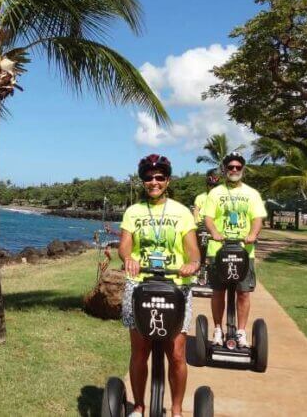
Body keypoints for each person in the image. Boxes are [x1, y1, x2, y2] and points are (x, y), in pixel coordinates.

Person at [119, 154, 201, 417]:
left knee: (176, 352)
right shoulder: (133, 212)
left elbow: (193, 251)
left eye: (159, 177)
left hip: (176, 285)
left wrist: (192, 263)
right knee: (139, 350)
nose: (153, 182)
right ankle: (140, 406)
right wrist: (128, 258)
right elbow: (124, 246)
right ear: (142, 181)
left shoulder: (181, 212)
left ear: (167, 180)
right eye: (148, 177)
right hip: (140, 283)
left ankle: (176, 410)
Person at [202, 152, 267, 347]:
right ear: (225, 170)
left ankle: (240, 332)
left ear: (243, 170)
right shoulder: (215, 193)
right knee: (218, 291)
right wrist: (214, 232)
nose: (234, 170)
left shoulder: (252, 194)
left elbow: (257, 218)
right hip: (218, 251)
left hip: (244, 251)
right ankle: (218, 329)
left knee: (243, 292)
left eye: (238, 167)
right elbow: (208, 218)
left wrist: (253, 235)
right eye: (231, 167)